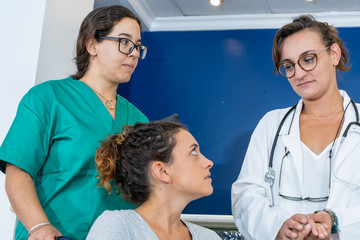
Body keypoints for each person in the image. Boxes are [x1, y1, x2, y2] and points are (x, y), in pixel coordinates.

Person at [0, 5, 149, 240]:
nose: (133, 53)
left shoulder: (140, 121)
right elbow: (18, 171)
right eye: (124, 42)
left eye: (138, 46)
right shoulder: (48, 98)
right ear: (92, 45)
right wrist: (38, 226)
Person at [231, 15, 360, 240]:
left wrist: (336, 221)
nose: (299, 74)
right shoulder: (271, 125)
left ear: (334, 54)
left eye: (308, 59)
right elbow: (245, 197)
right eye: (289, 66)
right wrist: (278, 225)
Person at [86, 121, 221, 240]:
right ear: (162, 171)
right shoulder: (118, 226)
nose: (209, 162)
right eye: (193, 152)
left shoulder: (209, 237)